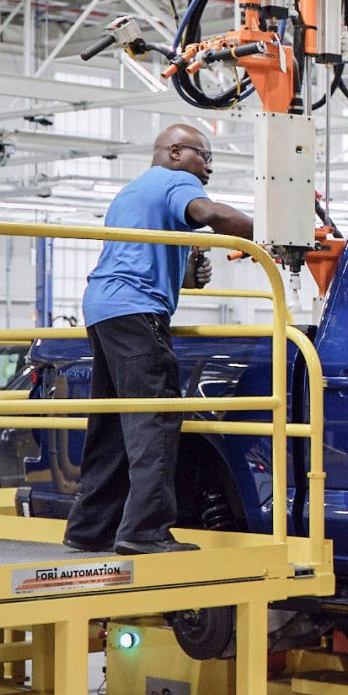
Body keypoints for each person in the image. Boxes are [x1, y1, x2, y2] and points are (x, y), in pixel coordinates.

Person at [65, 123, 253, 555]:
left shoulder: (131, 194)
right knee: (156, 420)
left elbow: (144, 257)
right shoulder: (176, 181)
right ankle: (144, 531)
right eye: (203, 156)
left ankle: (90, 528)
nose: (207, 168)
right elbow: (209, 214)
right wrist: (273, 234)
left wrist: (189, 273)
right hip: (135, 312)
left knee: (113, 425)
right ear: (173, 151)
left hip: (102, 309)